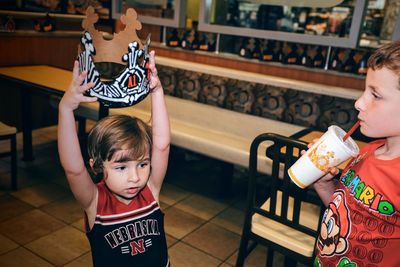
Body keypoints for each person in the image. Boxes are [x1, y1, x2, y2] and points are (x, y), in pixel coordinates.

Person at [58, 50, 171, 266]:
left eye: (143, 164)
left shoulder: (151, 190)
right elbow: (73, 169)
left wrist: (156, 91)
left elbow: (162, 145)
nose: (135, 177)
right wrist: (66, 109)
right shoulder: (94, 201)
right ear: (97, 166)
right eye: (121, 167)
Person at [312, 41, 400, 266]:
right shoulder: (367, 152)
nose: (359, 102)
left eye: (376, 95)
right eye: (364, 92)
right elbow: (342, 212)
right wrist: (324, 184)